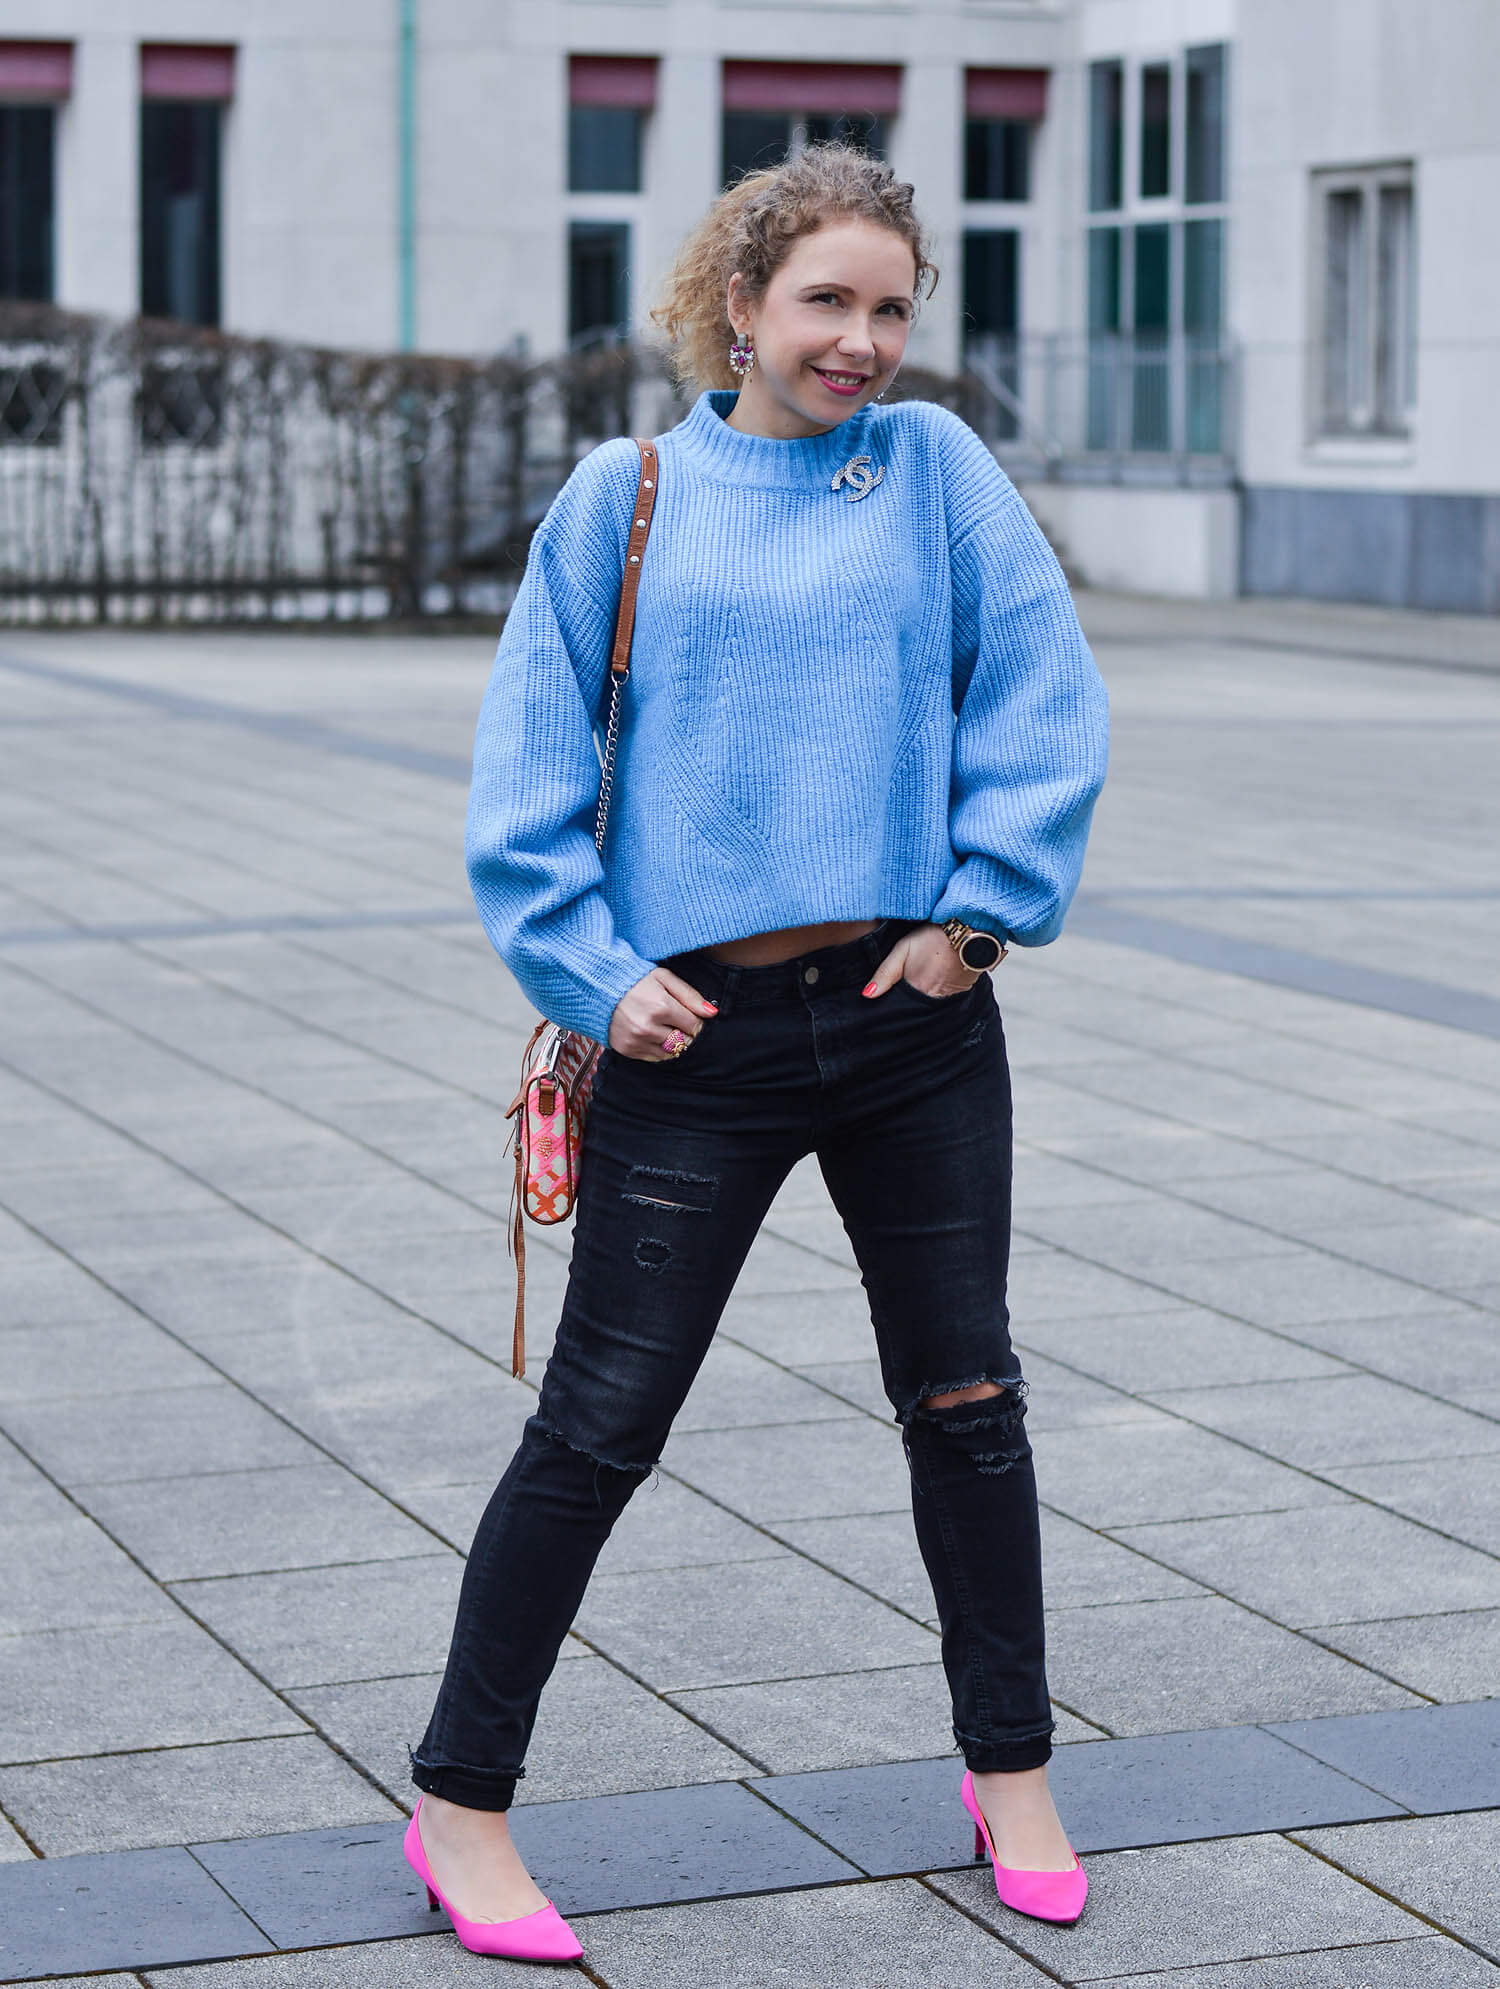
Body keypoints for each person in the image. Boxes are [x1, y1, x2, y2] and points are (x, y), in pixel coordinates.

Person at [405, 141, 1109, 1961]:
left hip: (910, 1026)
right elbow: (528, 765)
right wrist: (585, 967)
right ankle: (459, 1810)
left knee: (970, 1406)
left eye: (891, 308)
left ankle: (1011, 1769)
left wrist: (979, 915)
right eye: (827, 302)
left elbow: (1045, 686)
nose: (861, 340)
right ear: (741, 300)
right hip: (690, 1035)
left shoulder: (936, 470)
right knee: (596, 1429)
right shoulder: (624, 494)